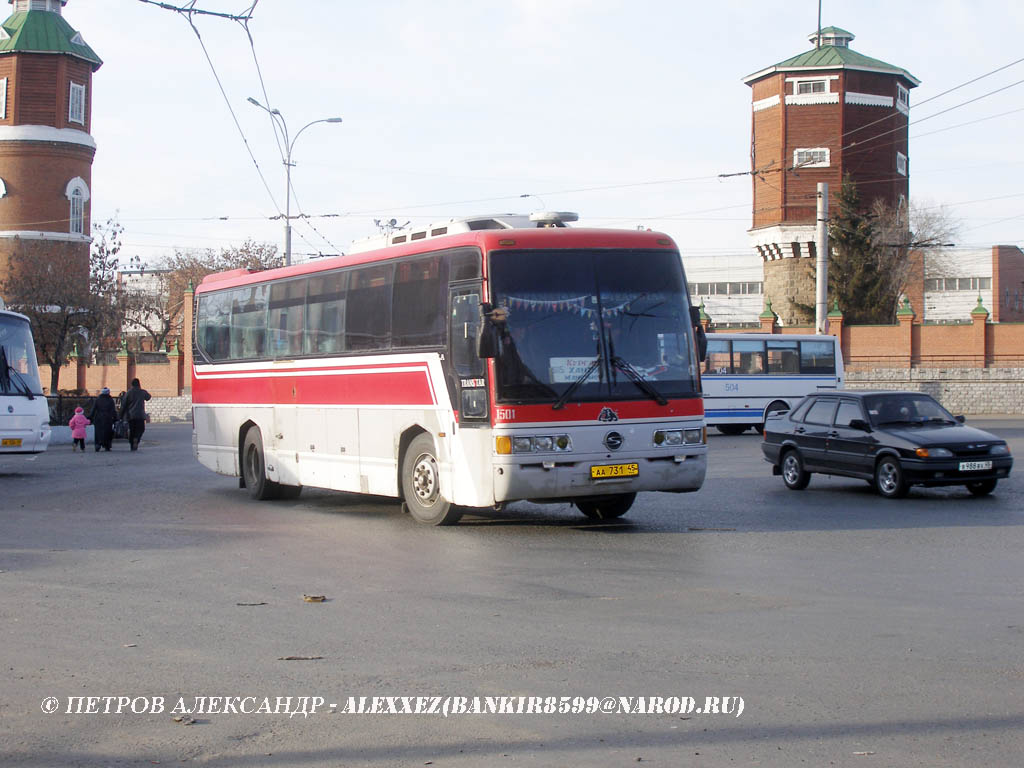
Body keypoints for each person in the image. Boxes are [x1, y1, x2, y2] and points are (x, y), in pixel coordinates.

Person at [119, 378, 151, 451]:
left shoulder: (129, 392)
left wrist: (120, 416)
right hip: (140, 415)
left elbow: (124, 405)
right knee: (141, 429)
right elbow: (148, 397)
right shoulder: (142, 392)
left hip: (131, 415)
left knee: (132, 430)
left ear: (132, 384)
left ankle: (132, 443)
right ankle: (137, 439)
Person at [89, 387, 118, 452]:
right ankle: (107, 445)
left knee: (98, 432)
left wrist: (90, 417)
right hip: (108, 418)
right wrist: (115, 418)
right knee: (108, 432)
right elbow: (113, 410)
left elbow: (93, 409)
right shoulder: (110, 400)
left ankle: (97, 444)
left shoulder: (98, 399)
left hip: (98, 418)